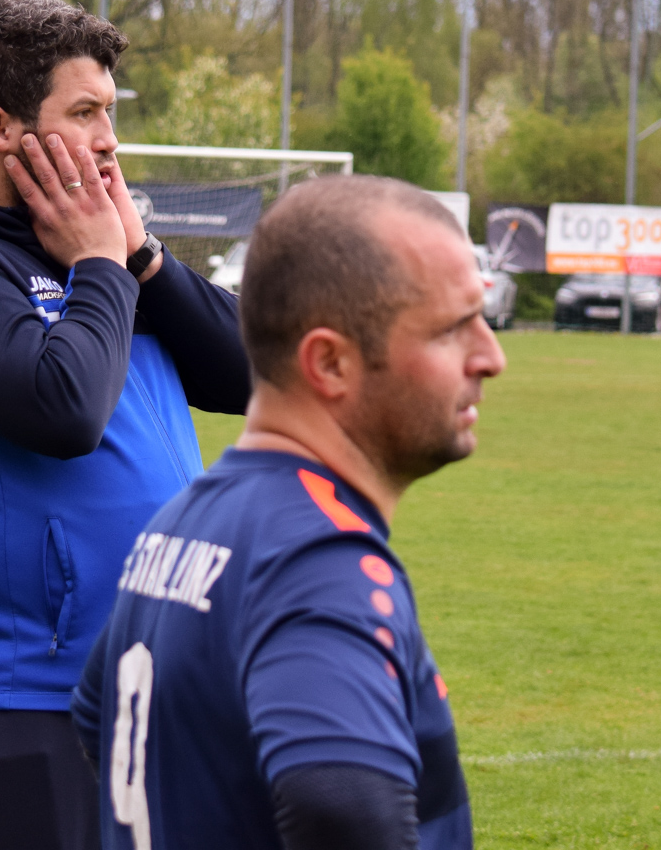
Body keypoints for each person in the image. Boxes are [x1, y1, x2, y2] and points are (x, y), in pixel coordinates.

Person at [0, 0, 250, 850]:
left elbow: (258, 374)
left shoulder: (105, 250)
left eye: (110, 111)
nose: (109, 139)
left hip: (161, 676)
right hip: (17, 698)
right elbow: (63, 408)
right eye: (84, 113)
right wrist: (102, 266)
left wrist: (142, 258)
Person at [73, 175, 507, 850]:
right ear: (329, 363)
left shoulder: (183, 521)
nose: (492, 357)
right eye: (454, 328)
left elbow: (94, 714)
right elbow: (341, 806)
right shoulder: (316, 560)